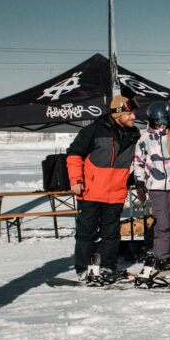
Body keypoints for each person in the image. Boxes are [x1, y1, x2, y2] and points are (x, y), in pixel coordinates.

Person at [66, 95, 141, 284]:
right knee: (86, 233)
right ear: (119, 113)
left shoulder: (134, 135)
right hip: (91, 191)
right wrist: (75, 180)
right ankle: (83, 269)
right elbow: (74, 155)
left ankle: (108, 266)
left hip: (116, 193)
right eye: (130, 113)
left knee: (111, 234)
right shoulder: (93, 131)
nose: (134, 117)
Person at [131, 101, 170, 275]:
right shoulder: (144, 140)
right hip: (156, 186)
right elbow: (138, 162)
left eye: (164, 121)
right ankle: (163, 257)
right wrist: (139, 182)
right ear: (151, 121)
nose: (161, 125)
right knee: (163, 222)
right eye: (157, 121)